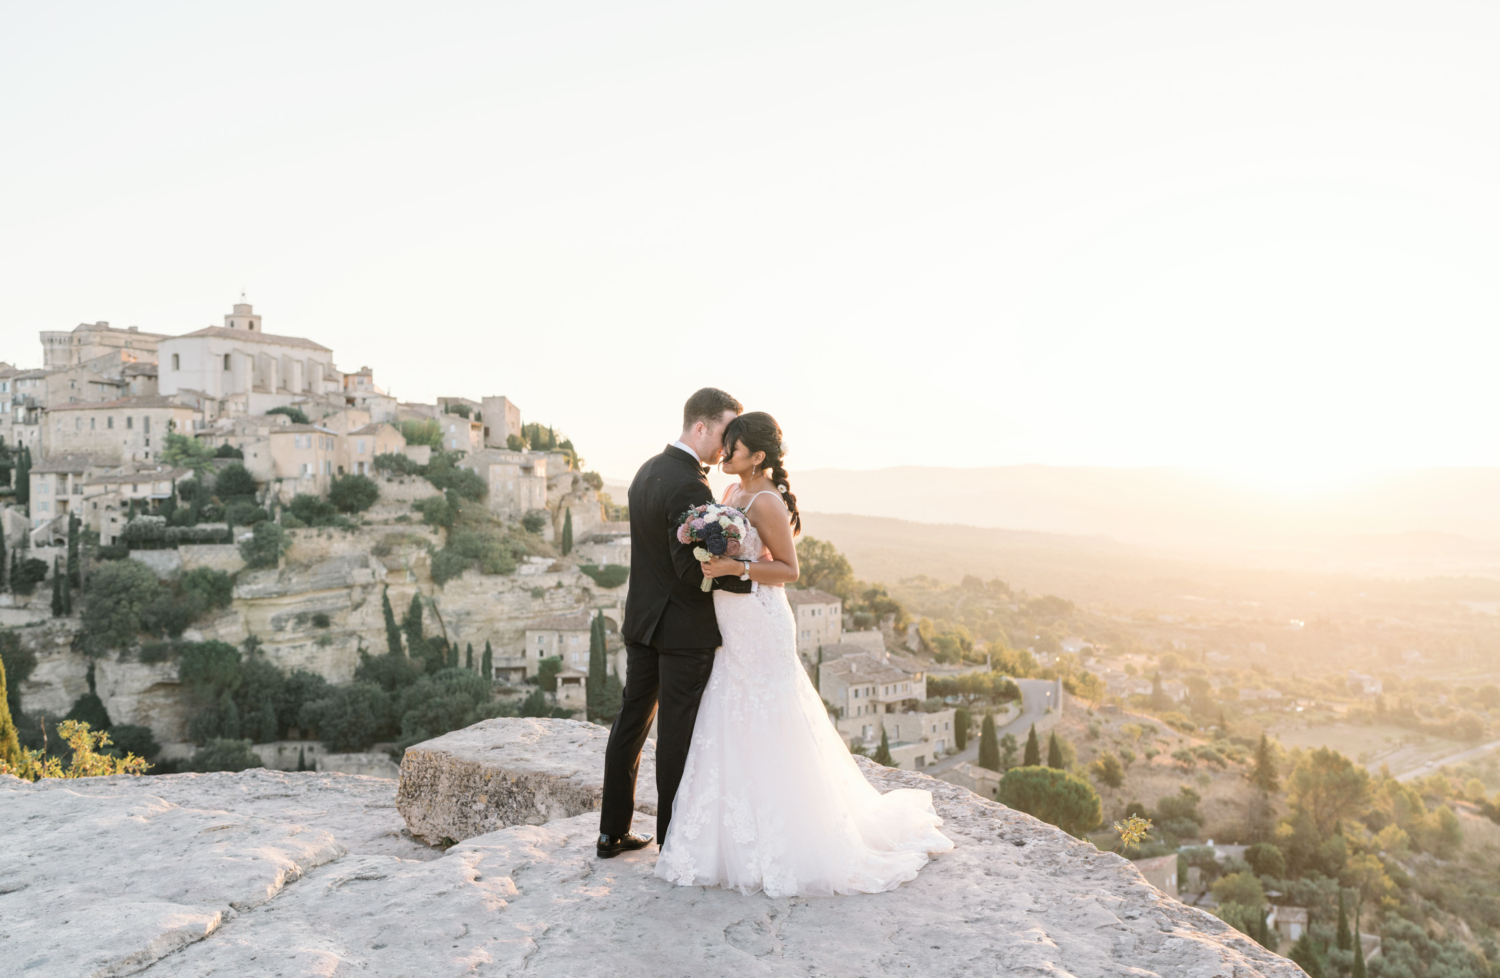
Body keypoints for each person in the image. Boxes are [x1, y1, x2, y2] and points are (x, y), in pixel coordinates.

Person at [654, 411, 954, 896]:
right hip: (732, 620)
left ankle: (790, 839)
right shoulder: (730, 494)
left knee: (770, 717)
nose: (724, 454)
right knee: (730, 712)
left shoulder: (767, 500)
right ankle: (729, 839)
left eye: (733, 447)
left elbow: (789, 570)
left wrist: (738, 566)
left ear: (758, 456)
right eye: (724, 445)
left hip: (761, 621)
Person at [598, 387, 749, 858]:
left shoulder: (645, 470)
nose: (727, 446)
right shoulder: (689, 484)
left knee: (630, 725)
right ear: (700, 427)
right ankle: (673, 843)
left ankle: (611, 833)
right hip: (681, 632)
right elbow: (688, 571)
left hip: (641, 622)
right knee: (676, 736)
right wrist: (748, 581)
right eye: (724, 433)